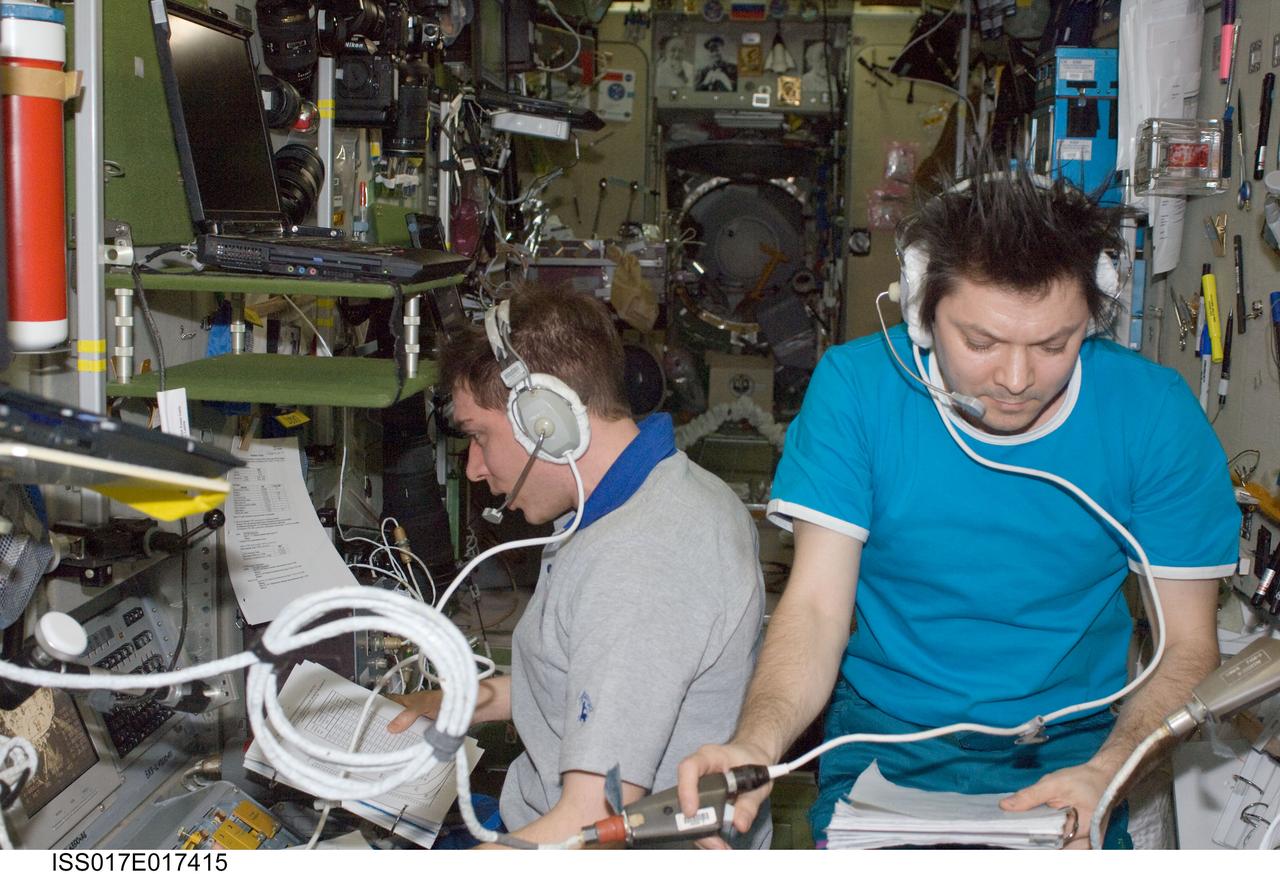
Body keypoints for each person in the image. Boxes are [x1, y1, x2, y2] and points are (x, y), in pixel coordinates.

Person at [677, 165, 1239, 849]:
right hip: (884, 739)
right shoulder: (860, 391)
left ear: (1096, 314)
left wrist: (1107, 768)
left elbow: (1187, 645)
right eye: (981, 342)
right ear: (920, 307)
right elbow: (818, 609)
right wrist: (755, 744)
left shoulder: (1152, 415)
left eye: (1054, 345)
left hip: (1080, 750)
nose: (1015, 379)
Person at [388, 286, 769, 848]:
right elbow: (591, 680)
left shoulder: (639, 561)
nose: (473, 468)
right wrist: (457, 701)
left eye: (478, 437)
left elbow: (587, 827)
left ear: (545, 421)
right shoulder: (657, 491)